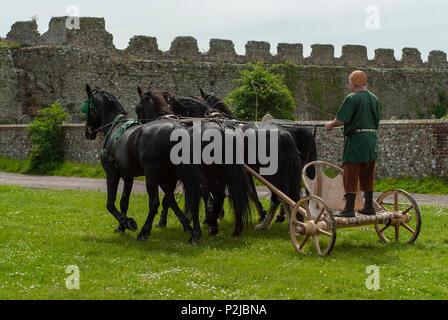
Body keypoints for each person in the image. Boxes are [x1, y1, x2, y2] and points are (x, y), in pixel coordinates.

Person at [325, 70, 380, 218]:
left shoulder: (352, 98)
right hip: (371, 140)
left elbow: (341, 120)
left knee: (350, 173)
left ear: (354, 83)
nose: (348, 85)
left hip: (356, 141)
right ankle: (369, 206)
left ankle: (349, 208)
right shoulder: (374, 98)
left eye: (349, 82)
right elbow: (376, 121)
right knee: (368, 173)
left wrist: (330, 124)